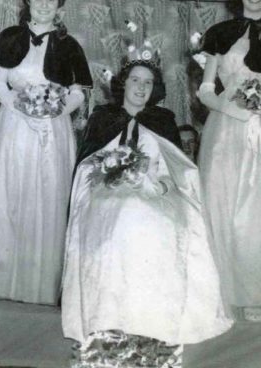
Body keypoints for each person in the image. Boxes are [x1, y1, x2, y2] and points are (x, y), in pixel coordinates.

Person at [61, 57, 232, 364]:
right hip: (106, 191)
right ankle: (111, 313)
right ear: (123, 84)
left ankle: (150, 312)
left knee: (157, 218)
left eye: (148, 83)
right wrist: (111, 174)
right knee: (124, 212)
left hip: (154, 190)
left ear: (155, 89)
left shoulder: (163, 119)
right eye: (135, 80)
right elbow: (87, 165)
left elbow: (177, 166)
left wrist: (163, 185)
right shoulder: (103, 117)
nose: (141, 88)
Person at [0, 0, 92, 305]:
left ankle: (42, 288)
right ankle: (0, 284)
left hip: (54, 128)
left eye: (51, 0)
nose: (44, 6)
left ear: (60, 6)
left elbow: (79, 91)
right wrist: (22, 107)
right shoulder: (10, 37)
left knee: (48, 194)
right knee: (10, 193)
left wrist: (56, 110)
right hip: (14, 126)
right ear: (28, 3)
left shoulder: (69, 44)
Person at [198, 0, 261, 321]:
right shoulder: (220, 34)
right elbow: (206, 90)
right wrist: (233, 108)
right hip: (225, 133)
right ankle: (223, 292)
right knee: (222, 206)